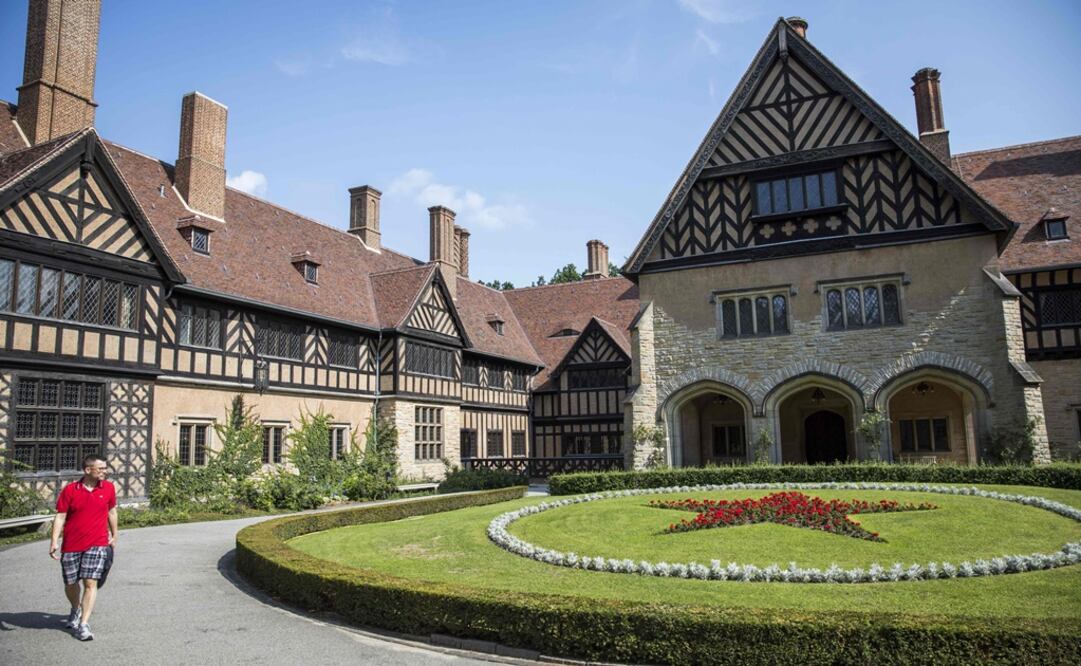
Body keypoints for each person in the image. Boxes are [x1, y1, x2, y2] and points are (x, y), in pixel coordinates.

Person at [49, 454, 117, 642]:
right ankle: (75, 608)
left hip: (98, 542)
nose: (105, 471)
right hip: (72, 544)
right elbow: (60, 516)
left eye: (105, 468)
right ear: (88, 470)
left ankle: (84, 624)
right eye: (101, 468)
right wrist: (54, 541)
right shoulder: (71, 490)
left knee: (90, 583)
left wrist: (115, 534)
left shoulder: (108, 488)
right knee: (71, 583)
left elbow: (112, 512)